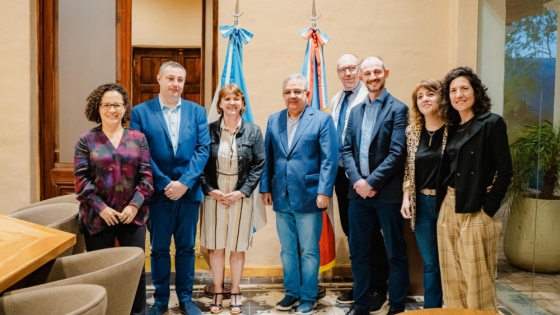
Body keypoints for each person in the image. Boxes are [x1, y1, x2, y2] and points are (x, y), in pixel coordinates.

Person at [130, 61, 210, 315]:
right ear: (159, 79)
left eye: (180, 80)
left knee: (187, 248)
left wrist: (185, 183)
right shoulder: (140, 113)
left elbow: (203, 149)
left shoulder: (197, 112)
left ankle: (186, 299)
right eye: (170, 78)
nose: (175, 84)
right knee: (160, 249)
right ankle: (161, 300)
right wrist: (166, 183)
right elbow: (141, 153)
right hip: (157, 193)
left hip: (188, 193)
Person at [260, 73, 338, 315]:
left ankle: (308, 296)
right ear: (283, 95)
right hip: (281, 196)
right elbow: (268, 157)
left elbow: (329, 159)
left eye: (297, 91)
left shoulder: (323, 120)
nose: (292, 96)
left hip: (310, 195)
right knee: (287, 249)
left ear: (307, 94)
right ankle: (291, 292)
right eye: (288, 92)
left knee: (310, 250)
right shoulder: (274, 120)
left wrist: (324, 191)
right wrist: (265, 188)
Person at [74, 83, 154, 315]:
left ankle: (137, 312)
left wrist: (133, 206)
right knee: (100, 271)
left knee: (135, 271)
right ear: (97, 108)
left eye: (117, 105)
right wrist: (102, 209)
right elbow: (81, 181)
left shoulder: (138, 138)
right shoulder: (86, 140)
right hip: (98, 218)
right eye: (107, 105)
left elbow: (147, 177)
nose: (112, 110)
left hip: (133, 216)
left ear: (124, 108)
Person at [437, 66, 512, 312]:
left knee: (477, 281)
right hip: (450, 206)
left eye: (464, 88)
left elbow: (505, 170)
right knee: (453, 278)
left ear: (476, 92)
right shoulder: (452, 127)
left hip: (477, 208)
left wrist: (489, 208)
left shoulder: (491, 123)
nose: (459, 95)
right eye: (453, 90)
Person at [341, 56, 409, 315]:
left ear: (386, 73)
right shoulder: (355, 111)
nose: (372, 77)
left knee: (395, 253)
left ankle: (397, 306)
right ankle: (361, 305)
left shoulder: (398, 109)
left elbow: (397, 153)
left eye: (377, 72)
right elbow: (346, 149)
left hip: (387, 194)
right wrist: (358, 182)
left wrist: (371, 182)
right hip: (358, 195)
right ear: (361, 78)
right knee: (358, 253)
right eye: (367, 73)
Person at [330, 53, 389, 312]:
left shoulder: (369, 97)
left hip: (367, 178)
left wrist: (363, 179)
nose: (348, 73)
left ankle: (379, 287)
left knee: (371, 235)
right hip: (343, 176)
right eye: (342, 69)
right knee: (352, 232)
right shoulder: (336, 99)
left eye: (352, 68)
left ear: (361, 72)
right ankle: (361, 285)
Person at [200, 84, 265, 315]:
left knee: (237, 247)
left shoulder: (253, 131)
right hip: (214, 195)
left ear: (242, 104)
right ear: (220, 104)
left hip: (240, 194)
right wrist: (210, 189)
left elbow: (259, 165)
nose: (231, 103)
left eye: (236, 99)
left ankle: (235, 291)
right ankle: (218, 291)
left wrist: (242, 191)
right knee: (216, 247)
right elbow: (199, 164)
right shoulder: (207, 131)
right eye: (226, 99)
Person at [400, 79, 447, 309]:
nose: (425, 99)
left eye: (430, 94)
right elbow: (409, 168)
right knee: (430, 264)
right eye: (420, 96)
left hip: (448, 203)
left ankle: (458, 307)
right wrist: (406, 197)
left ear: (441, 98)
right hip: (422, 204)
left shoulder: (454, 128)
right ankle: (432, 310)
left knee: (452, 261)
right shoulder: (412, 131)